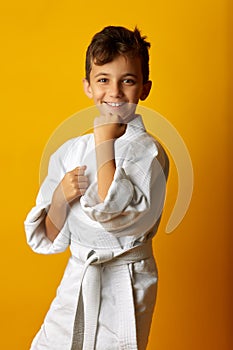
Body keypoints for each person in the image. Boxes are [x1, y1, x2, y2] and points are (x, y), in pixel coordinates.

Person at [24, 25, 169, 350]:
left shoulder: (149, 151)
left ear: (144, 88)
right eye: (103, 80)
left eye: (127, 80)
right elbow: (47, 237)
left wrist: (104, 142)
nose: (115, 92)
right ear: (88, 86)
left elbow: (113, 215)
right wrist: (61, 197)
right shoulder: (70, 151)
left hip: (126, 282)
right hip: (79, 278)